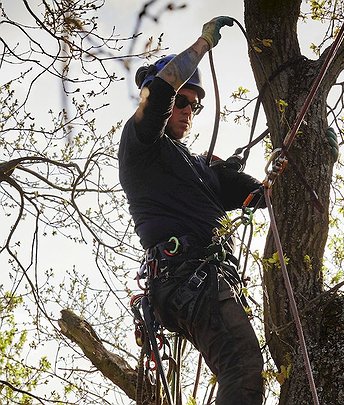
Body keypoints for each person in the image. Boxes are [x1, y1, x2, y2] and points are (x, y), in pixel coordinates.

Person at [119, 16, 265, 404]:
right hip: (185, 276)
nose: (187, 109)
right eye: (182, 101)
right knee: (244, 369)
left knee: (243, 369)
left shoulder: (203, 169)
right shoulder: (142, 144)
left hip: (203, 279)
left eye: (194, 105)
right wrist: (202, 44)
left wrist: (310, 157)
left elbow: (261, 196)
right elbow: (160, 91)